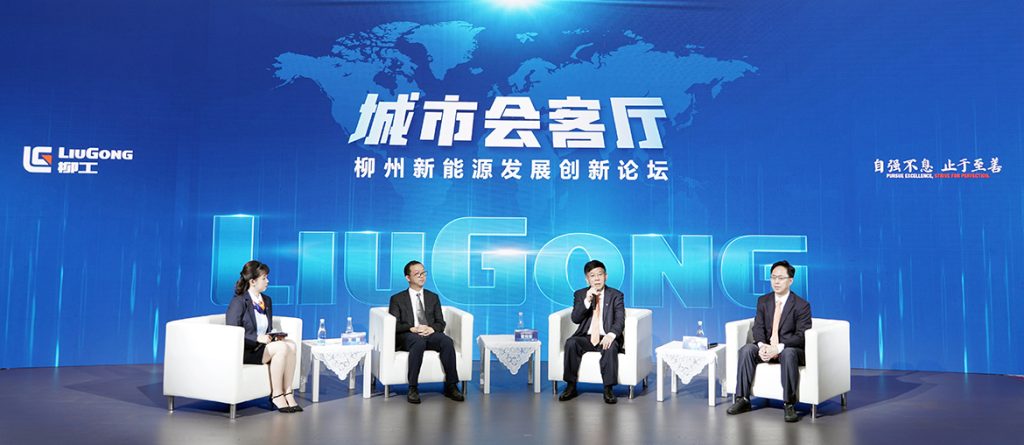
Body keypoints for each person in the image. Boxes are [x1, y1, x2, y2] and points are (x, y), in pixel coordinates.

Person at [726, 260, 812, 422]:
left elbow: (801, 336)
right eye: (773, 277)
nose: (776, 282)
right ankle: (742, 399)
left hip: (790, 349)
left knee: (788, 353)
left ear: (790, 280)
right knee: (746, 350)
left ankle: (789, 404)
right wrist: (761, 346)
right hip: (766, 347)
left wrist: (777, 348)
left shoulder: (801, 305)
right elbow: (758, 327)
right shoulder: (763, 301)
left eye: (781, 278)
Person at [225, 260, 301, 413]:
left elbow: (266, 327)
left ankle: (288, 392)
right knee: (281, 348)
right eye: (264, 278)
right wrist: (256, 338)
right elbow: (232, 330)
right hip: (247, 349)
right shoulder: (239, 301)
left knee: (291, 345)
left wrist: (273, 336)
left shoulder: (266, 300)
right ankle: (276, 394)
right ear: (252, 281)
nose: (268, 281)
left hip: (262, 346)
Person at [388, 260, 464, 404]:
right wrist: (412, 328)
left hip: (429, 334)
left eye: (423, 273)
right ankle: (413, 388)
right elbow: (394, 325)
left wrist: (431, 328)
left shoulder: (433, 297)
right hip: (408, 336)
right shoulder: (397, 299)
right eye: (417, 274)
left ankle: (451, 386)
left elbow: (440, 323)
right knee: (418, 342)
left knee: (447, 341)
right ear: (408, 277)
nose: (422, 276)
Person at [558, 260, 626, 404]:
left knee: (610, 346)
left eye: (600, 274)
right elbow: (575, 319)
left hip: (606, 336)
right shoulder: (580, 294)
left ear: (606, 276)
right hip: (586, 337)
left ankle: (608, 389)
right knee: (571, 343)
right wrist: (587, 300)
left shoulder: (616, 295)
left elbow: (620, 319)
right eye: (592, 276)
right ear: (587, 279)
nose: (597, 279)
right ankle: (570, 386)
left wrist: (611, 334)